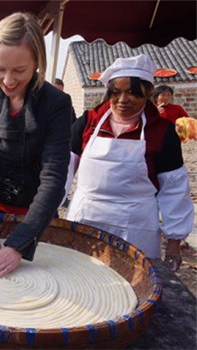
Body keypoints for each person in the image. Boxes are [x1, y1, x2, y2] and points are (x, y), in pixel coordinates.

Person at [0, 13, 72, 280]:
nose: (8, 80)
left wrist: (19, 244)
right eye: (0, 69)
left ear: (37, 63)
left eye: (19, 71)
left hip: (36, 217)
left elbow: (54, 179)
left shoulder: (56, 103)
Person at [66, 54, 193, 271]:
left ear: (148, 93)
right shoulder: (87, 122)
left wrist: (174, 243)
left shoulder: (162, 132)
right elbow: (61, 170)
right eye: (116, 93)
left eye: (133, 93)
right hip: (85, 217)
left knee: (130, 286)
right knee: (81, 280)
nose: (123, 100)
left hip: (135, 225)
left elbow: (174, 190)